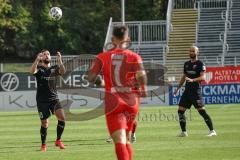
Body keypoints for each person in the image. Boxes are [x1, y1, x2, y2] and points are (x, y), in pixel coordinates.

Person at [87, 26, 147, 160]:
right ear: (128, 39)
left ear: (113, 39)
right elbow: (142, 76)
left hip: (114, 102)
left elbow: (90, 77)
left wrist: (99, 81)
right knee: (126, 140)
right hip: (132, 102)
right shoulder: (134, 56)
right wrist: (144, 89)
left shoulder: (102, 57)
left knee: (119, 141)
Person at [174, 46, 217, 137]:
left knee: (202, 112)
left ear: (197, 52)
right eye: (190, 51)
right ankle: (184, 132)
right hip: (187, 92)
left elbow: (203, 77)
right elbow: (184, 77)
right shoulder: (186, 64)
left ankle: (212, 131)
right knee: (180, 111)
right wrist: (178, 88)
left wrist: (193, 80)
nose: (191, 52)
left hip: (195, 92)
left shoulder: (200, 64)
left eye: (193, 51)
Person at [30, 50, 66, 152]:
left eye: (48, 54)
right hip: (42, 101)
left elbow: (63, 72)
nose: (47, 55)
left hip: (54, 98)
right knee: (45, 123)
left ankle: (58, 140)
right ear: (41, 57)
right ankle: (43, 145)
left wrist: (60, 61)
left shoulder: (54, 68)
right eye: (44, 54)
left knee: (62, 117)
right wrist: (37, 60)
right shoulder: (39, 69)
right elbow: (32, 71)